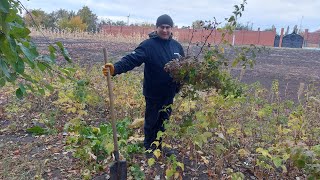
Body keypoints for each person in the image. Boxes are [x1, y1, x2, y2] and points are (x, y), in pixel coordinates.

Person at [102, 14, 185, 158]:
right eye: (162, 27)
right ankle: (148, 148)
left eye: (168, 27)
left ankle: (158, 147)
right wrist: (115, 68)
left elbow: (184, 67)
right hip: (153, 93)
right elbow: (132, 59)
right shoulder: (148, 45)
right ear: (157, 28)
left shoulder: (177, 46)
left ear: (171, 28)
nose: (165, 30)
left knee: (164, 121)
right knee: (152, 122)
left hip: (169, 93)